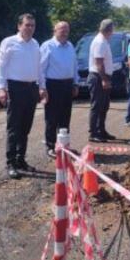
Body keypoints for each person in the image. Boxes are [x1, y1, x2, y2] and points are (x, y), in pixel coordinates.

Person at [0, 13, 45, 179]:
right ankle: (10, 163)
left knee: (25, 127)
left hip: (31, 89)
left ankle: (20, 159)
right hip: (15, 88)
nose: (30, 28)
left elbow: (39, 68)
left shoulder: (35, 44)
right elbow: (1, 67)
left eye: (32, 25)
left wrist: (42, 87)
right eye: (27, 25)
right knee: (14, 128)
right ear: (19, 26)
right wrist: (2, 88)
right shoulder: (9, 42)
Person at [39, 21, 79, 158]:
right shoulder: (47, 46)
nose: (64, 32)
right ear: (54, 30)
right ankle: (50, 146)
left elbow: (74, 66)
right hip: (52, 85)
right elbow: (41, 69)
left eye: (66, 30)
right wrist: (42, 87)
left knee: (65, 117)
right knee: (52, 118)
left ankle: (64, 146)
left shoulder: (70, 46)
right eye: (61, 29)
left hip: (67, 85)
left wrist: (75, 83)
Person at [87, 19, 116, 143]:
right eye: (112, 29)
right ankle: (93, 132)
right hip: (98, 77)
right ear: (109, 29)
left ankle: (101, 130)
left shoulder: (104, 40)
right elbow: (99, 63)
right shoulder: (100, 41)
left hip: (103, 76)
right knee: (97, 106)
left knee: (104, 106)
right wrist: (104, 79)